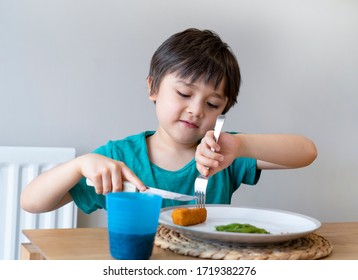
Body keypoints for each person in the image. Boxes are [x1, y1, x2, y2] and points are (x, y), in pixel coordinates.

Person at [20, 28, 317, 214]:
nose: (196, 110)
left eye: (212, 103)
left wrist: (240, 146)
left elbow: (306, 152)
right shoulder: (118, 159)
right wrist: (79, 164)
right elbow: (32, 203)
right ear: (153, 88)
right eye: (184, 93)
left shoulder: (222, 154)